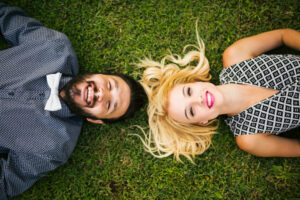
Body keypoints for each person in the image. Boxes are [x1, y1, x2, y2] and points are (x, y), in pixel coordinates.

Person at [0, 2, 146, 199]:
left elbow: (6, 183)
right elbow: (6, 18)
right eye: (110, 85)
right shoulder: (55, 47)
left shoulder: (53, 148)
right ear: (100, 74)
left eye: (110, 105)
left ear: (96, 119)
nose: (101, 94)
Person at [139, 26, 300, 162]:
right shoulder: (249, 138)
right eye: (191, 111)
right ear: (202, 121)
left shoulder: (236, 55)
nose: (198, 99)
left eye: (188, 91)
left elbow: (283, 35)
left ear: (195, 81)